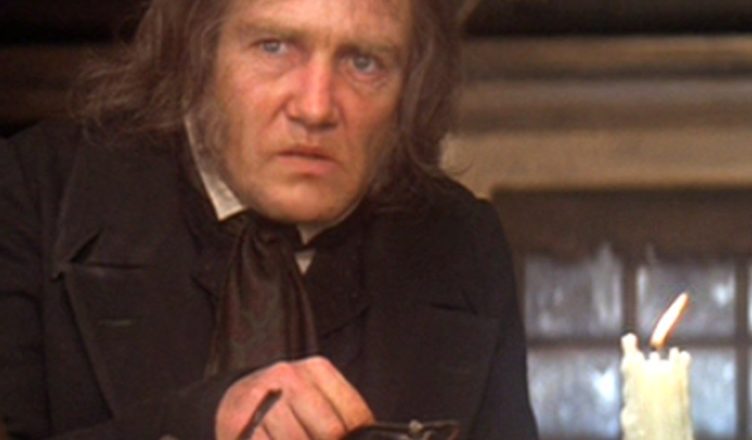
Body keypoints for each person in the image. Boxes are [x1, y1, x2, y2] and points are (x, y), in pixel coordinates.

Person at [0, 0, 538, 438]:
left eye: (364, 62)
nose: (315, 108)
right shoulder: (34, 191)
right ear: (199, 53)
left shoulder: (463, 243)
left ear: (411, 88)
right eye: (274, 47)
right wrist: (202, 424)